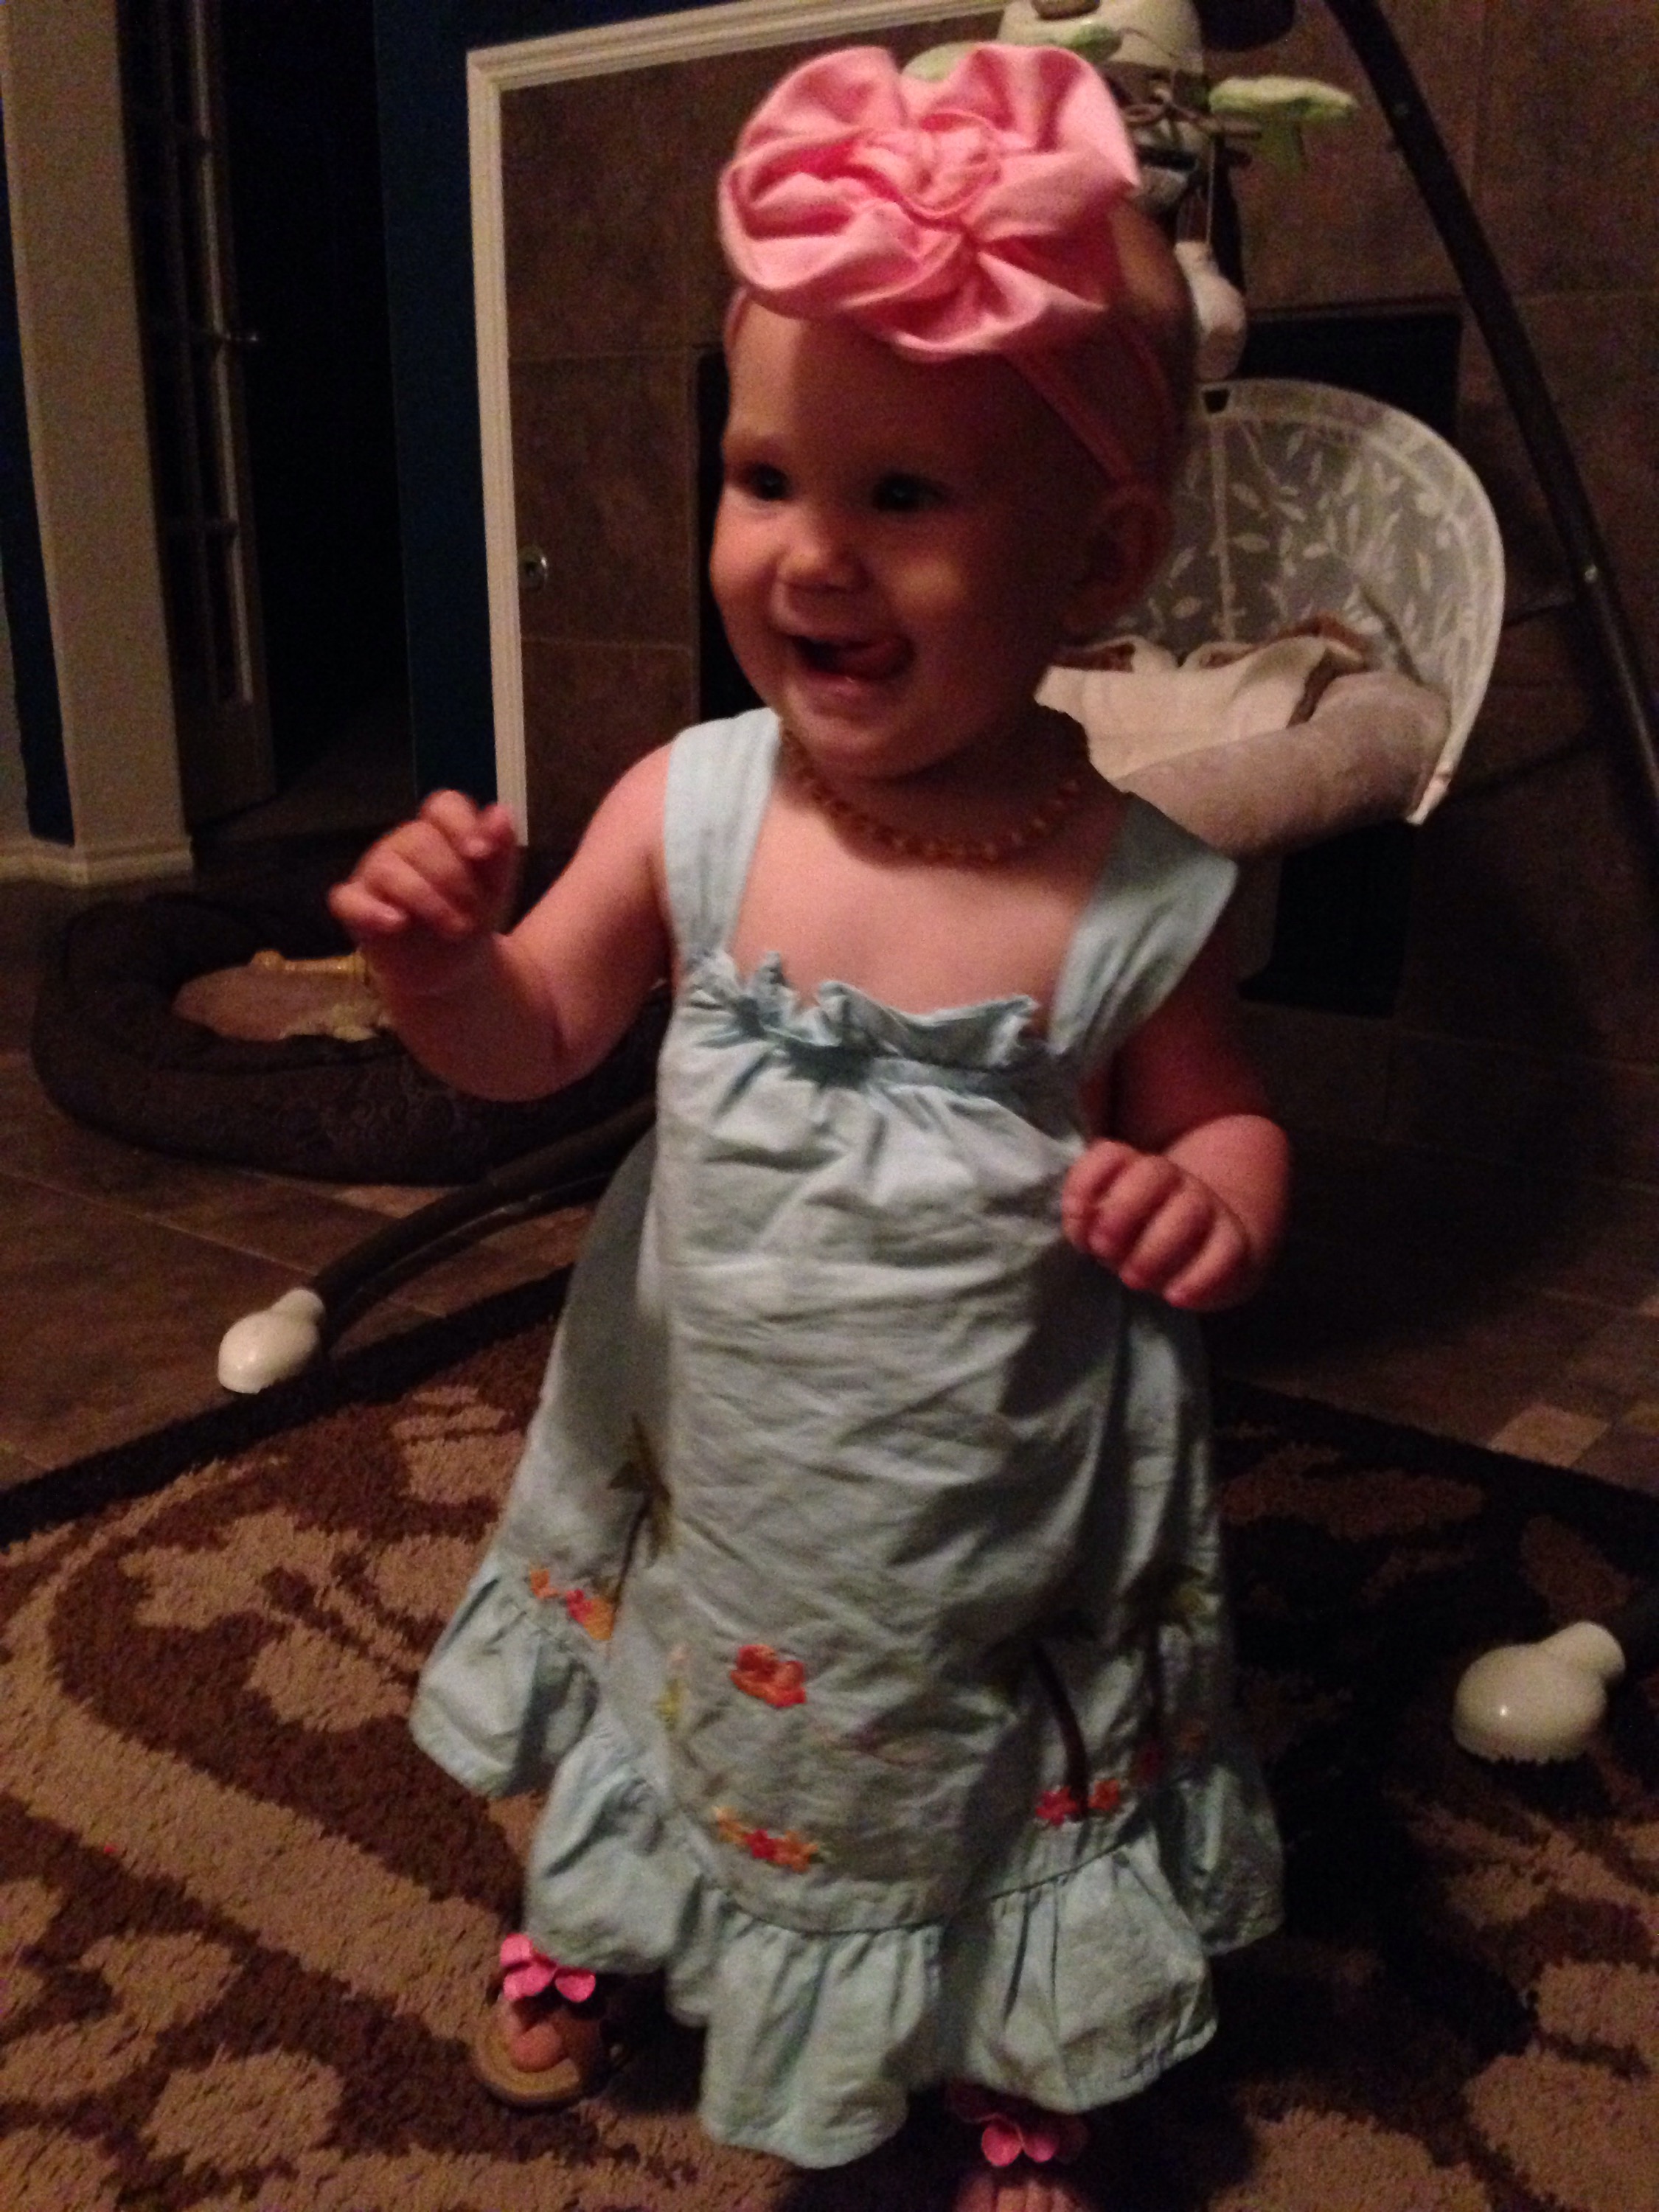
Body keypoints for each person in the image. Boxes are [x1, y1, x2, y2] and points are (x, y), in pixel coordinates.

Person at [330, 41, 1289, 2212]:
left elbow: (1225, 1122)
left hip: (980, 1496)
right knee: (696, 1691)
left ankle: (1001, 2030)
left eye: (905, 497)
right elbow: (535, 1039)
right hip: (720, 1456)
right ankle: (620, 1912)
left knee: (945, 1741)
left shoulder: (1135, 891)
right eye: (765, 478)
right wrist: (439, 971)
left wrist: (1208, 1204)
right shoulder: (690, 802)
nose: (811, 557)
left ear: (1098, 553)